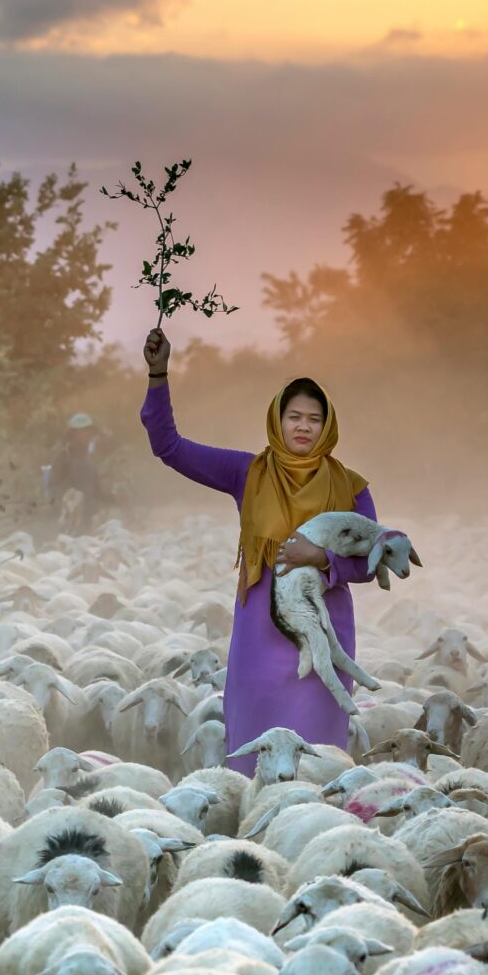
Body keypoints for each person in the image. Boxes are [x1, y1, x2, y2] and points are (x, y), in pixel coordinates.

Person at [140, 323, 395, 773]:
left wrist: (322, 560)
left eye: (314, 419)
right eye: (294, 416)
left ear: (328, 425)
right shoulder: (247, 472)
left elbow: (370, 561)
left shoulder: (350, 486)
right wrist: (158, 376)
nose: (304, 427)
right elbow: (169, 446)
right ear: (278, 420)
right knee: (254, 756)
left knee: (317, 760)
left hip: (322, 635)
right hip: (259, 633)